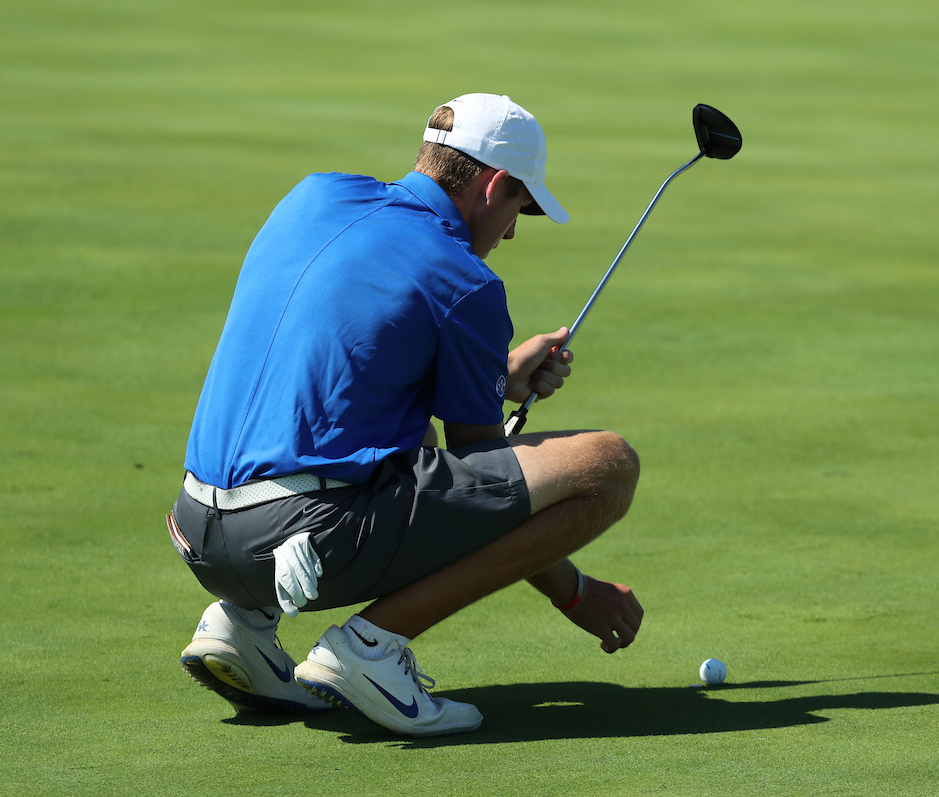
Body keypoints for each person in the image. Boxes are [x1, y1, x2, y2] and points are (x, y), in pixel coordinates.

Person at [168, 93, 643, 737]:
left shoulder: (314, 196)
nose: (510, 232)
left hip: (200, 533)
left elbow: (355, 367)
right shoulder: (465, 280)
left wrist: (492, 376)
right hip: (299, 540)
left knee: (400, 436)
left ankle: (242, 626)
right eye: (518, 208)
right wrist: (575, 592)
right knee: (607, 465)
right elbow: (483, 485)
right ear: (494, 183)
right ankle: (369, 650)